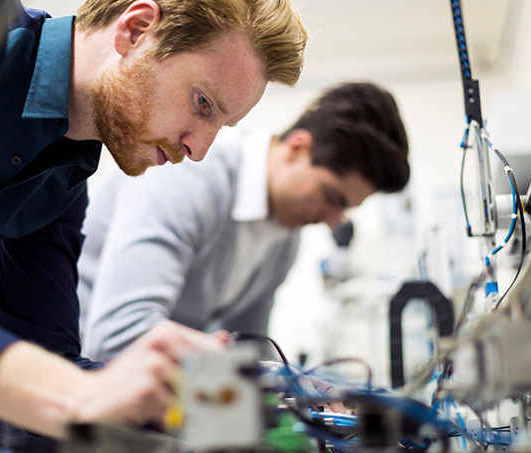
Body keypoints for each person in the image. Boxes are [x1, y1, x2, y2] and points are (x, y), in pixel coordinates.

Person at [0, 0, 307, 441]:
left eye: (221, 126)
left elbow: (50, 362)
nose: (199, 149)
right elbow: (58, 387)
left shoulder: (60, 185)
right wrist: (64, 391)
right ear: (136, 29)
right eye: (202, 103)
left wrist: (233, 393)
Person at [78, 82, 410, 363]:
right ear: (297, 147)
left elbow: (250, 347)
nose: (333, 221)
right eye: (333, 198)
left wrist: (297, 386)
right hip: (69, 387)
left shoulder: (284, 237)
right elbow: (117, 336)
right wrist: (268, 377)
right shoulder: (191, 174)